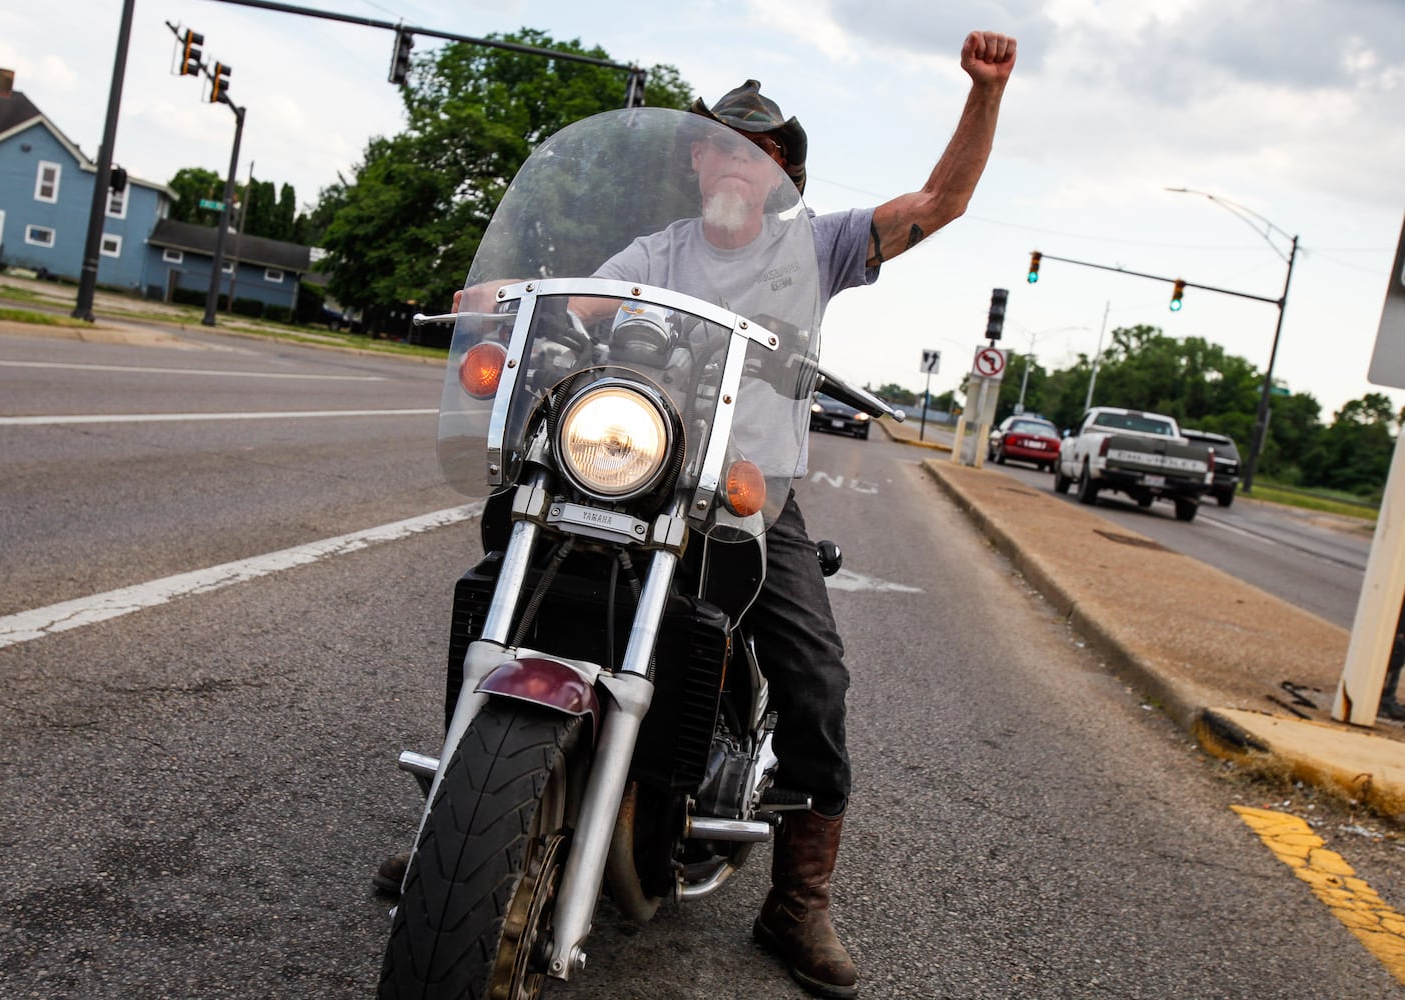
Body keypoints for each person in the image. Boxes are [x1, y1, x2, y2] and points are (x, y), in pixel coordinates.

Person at [377, 31, 1016, 1000]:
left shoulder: (820, 245)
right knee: (507, 545)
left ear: (780, 175)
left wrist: (985, 95)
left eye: (756, 152)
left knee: (817, 678)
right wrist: (508, 303)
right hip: (639, 468)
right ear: (696, 157)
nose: (735, 160)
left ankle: (797, 901)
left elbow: (942, 203)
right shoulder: (653, 252)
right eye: (720, 143)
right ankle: (458, 833)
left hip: (754, 496)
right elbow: (583, 311)